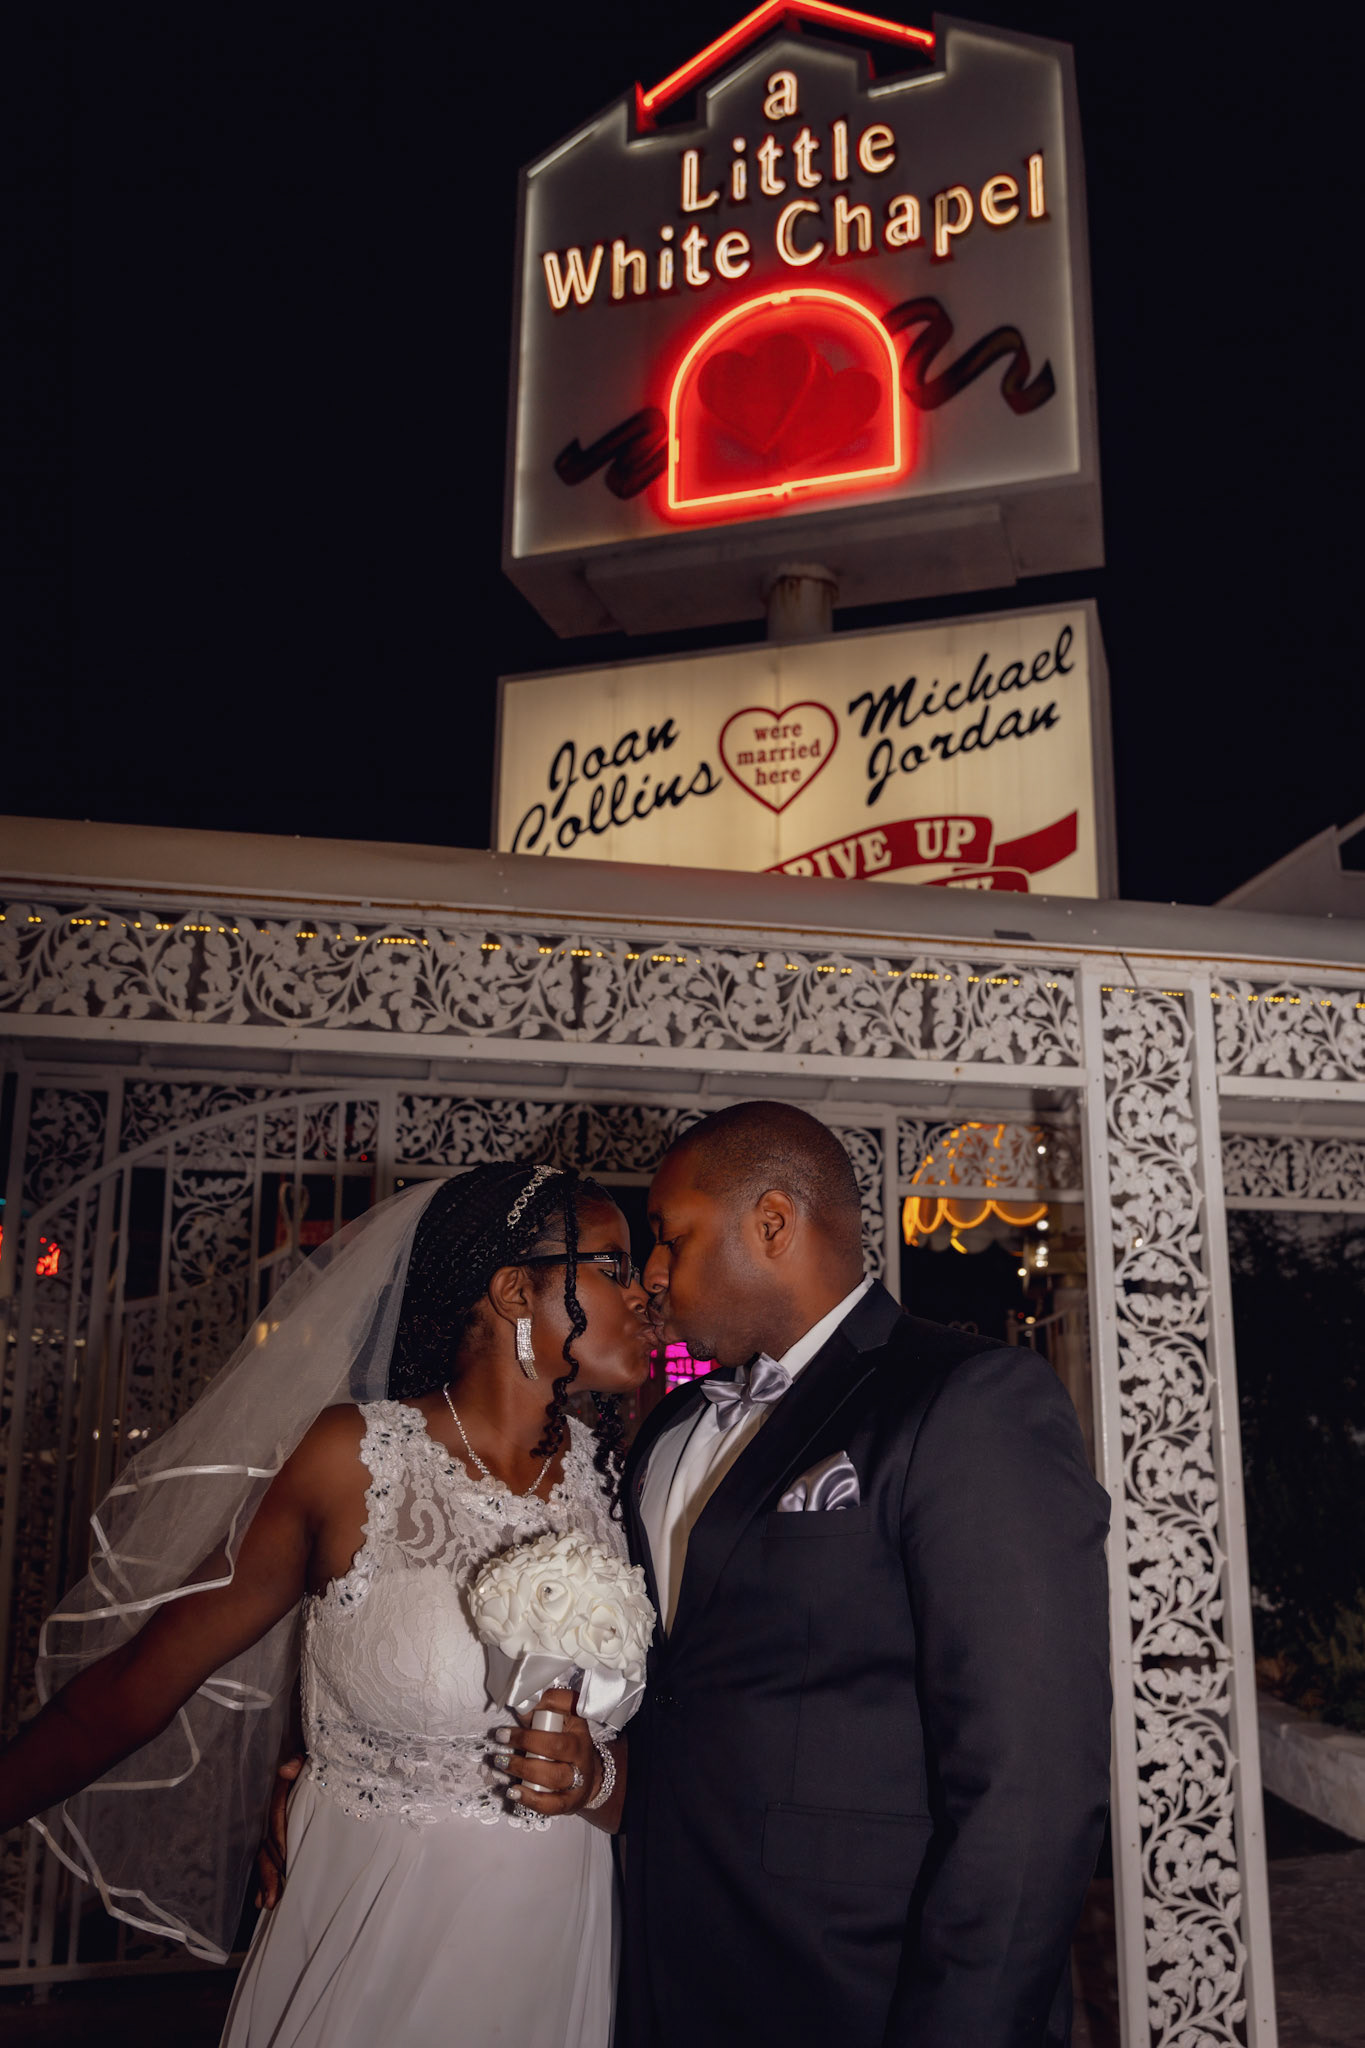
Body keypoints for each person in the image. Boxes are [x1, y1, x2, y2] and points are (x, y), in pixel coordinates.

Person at [0, 1163, 654, 2048]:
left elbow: (682, 1741)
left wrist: (595, 1779)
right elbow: (140, 1683)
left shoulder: (624, 1483)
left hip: (557, 1936)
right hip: (376, 1922)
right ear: (512, 1291)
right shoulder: (352, 1459)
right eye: (613, 1267)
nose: (643, 1291)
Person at [620, 1100, 1112, 2048]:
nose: (651, 1272)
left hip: (864, 1986)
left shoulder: (967, 1399)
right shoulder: (671, 1427)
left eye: (670, 1236)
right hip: (665, 1968)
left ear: (772, 1223)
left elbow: (1030, 1779)